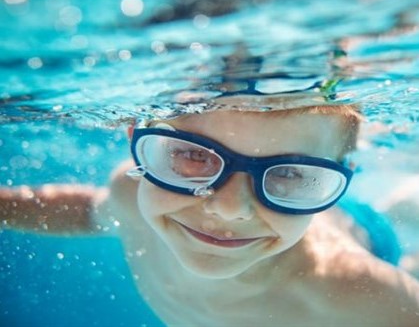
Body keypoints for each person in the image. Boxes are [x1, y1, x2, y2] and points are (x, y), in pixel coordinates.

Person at [1, 97, 419, 327]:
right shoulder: (129, 196)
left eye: (293, 171)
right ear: (139, 145)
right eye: (191, 155)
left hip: (363, 234)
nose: (229, 209)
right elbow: (91, 211)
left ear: (343, 175)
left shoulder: (357, 294)